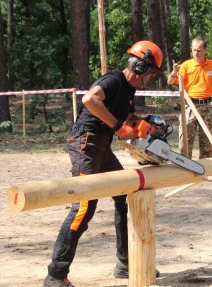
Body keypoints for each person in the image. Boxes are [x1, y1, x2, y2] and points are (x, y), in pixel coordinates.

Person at [43, 40, 164, 287]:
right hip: (85, 142)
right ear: (141, 66)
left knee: (124, 193)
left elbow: (125, 116)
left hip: (100, 144)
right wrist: (118, 127)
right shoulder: (113, 81)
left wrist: (143, 121)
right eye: (150, 73)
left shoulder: (128, 91)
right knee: (84, 206)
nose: (150, 78)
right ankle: (55, 275)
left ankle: (125, 262)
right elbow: (90, 100)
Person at [167, 37, 212, 159]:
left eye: (199, 50)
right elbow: (170, 81)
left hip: (208, 106)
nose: (196, 53)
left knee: (207, 143)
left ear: (205, 50)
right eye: (194, 50)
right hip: (190, 106)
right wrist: (174, 72)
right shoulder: (186, 66)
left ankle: (205, 171)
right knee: (185, 141)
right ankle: (185, 168)